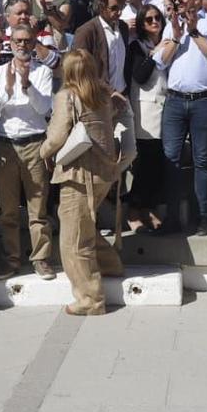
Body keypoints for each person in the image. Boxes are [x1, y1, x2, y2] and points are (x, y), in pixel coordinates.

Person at [42, 50, 131, 316]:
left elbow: (57, 137)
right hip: (103, 172)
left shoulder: (66, 96)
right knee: (85, 226)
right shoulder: (103, 95)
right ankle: (111, 264)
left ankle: (90, 299)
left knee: (73, 240)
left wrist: (43, 152)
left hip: (78, 174)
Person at [154, 0, 207, 237]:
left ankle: (203, 217)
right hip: (175, 100)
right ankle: (172, 217)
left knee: (202, 160)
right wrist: (175, 35)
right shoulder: (173, 25)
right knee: (170, 158)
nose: (178, 4)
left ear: (195, 0)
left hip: (204, 101)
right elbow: (160, 62)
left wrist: (194, 32)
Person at [0, 23, 55, 277]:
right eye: (18, 41)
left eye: (27, 41)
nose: (23, 45)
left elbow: (44, 109)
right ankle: (12, 259)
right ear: (10, 44)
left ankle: (41, 258)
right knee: (9, 209)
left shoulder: (42, 73)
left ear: (34, 42)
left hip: (34, 143)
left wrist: (27, 86)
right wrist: (8, 89)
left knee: (38, 208)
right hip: (5, 144)